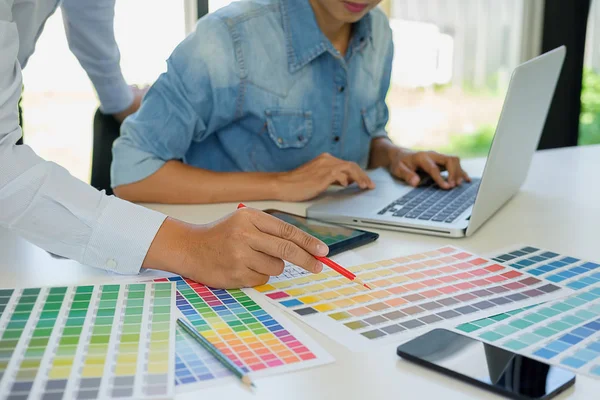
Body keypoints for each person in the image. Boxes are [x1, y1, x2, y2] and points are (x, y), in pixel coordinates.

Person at [0, 0, 330, 289]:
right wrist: (189, 247)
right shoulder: (229, 37)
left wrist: (118, 100)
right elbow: (6, 168)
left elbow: (89, 16)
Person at [111, 0, 470, 205]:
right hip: (233, 261)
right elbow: (132, 172)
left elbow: (356, 140)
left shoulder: (377, 30)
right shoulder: (228, 40)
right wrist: (280, 184)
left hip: (339, 249)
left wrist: (393, 155)